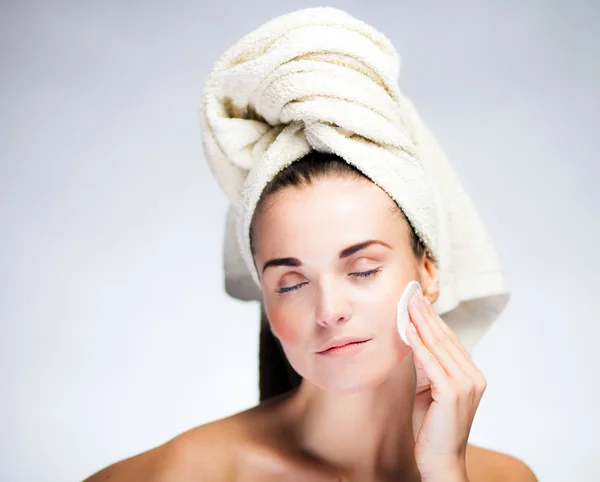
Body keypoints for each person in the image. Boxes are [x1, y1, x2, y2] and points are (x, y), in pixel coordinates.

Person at [84, 7, 537, 482]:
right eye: (292, 283)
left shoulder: (504, 477)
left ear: (428, 271)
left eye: (362, 269)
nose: (329, 310)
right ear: (265, 298)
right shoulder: (179, 474)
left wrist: (444, 470)